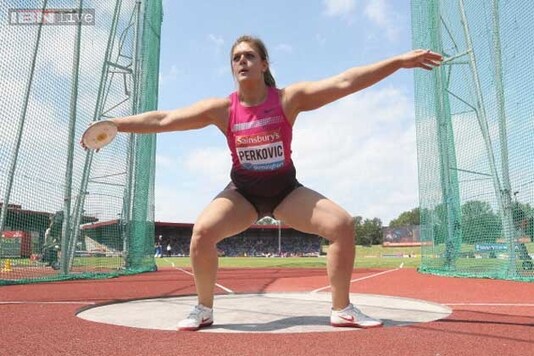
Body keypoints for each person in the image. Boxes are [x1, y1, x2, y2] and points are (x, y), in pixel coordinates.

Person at [81, 35, 442, 331]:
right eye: (236, 57)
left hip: (286, 191)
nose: (242, 61)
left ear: (264, 64)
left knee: (342, 225)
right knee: (202, 232)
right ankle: (203, 309)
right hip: (243, 194)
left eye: (250, 55)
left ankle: (342, 308)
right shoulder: (222, 109)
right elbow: (165, 118)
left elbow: (345, 82)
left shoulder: (288, 99)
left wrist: (398, 61)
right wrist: (115, 125)